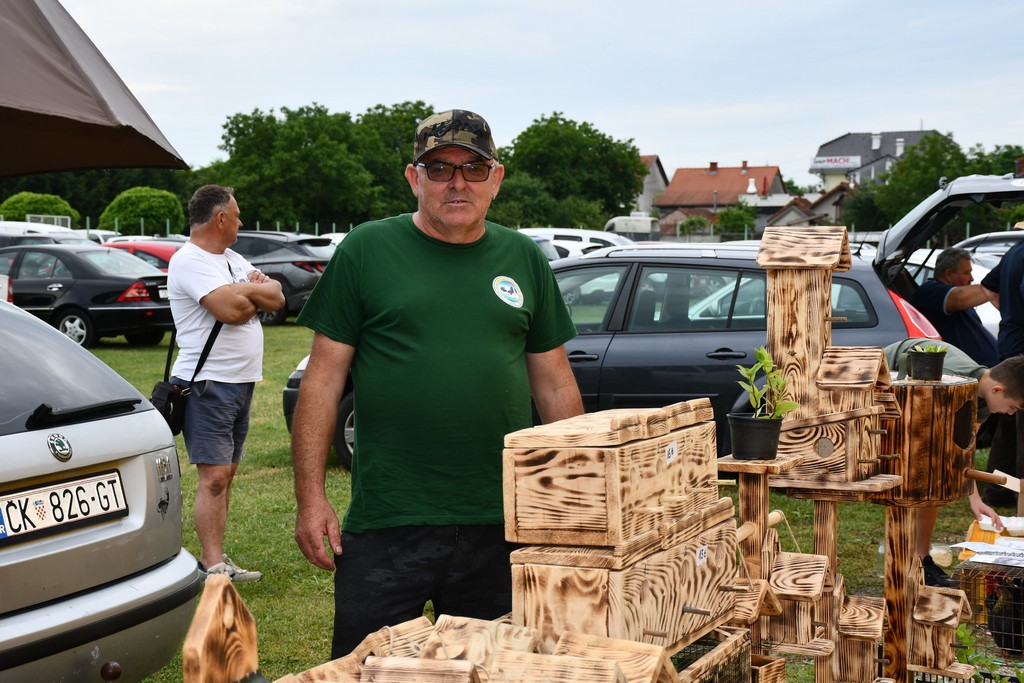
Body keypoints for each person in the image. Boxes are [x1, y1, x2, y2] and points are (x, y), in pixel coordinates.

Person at [290, 109, 584, 657]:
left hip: (501, 520)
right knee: (366, 670)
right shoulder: (366, 251)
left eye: (473, 169)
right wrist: (311, 498)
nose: (457, 183)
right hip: (387, 520)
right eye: (440, 168)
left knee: (492, 667)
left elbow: (555, 388)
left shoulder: (523, 257)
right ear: (413, 178)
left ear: (496, 179)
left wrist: (581, 493)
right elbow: (323, 384)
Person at [168, 184, 285, 582]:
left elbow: (278, 297)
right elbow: (232, 310)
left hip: (240, 382)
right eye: (236, 215)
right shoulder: (190, 261)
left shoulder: (231, 258)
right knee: (214, 477)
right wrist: (251, 290)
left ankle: (216, 559)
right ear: (220, 218)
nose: (241, 221)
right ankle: (211, 564)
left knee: (226, 474)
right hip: (208, 385)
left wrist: (245, 288)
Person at [885, 338, 1023, 586]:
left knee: (933, 480)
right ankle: (907, 561)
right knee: (925, 476)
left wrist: (975, 498)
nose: (1011, 414)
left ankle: (921, 559)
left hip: (918, 407)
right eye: (1013, 407)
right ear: (998, 390)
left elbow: (962, 449)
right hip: (888, 384)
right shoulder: (949, 378)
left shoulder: (981, 399)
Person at [910, 248, 998, 367]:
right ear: (949, 274)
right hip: (975, 372)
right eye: (966, 273)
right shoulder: (929, 292)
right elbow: (959, 298)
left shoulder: (957, 299)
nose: (971, 278)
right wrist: (1002, 274)